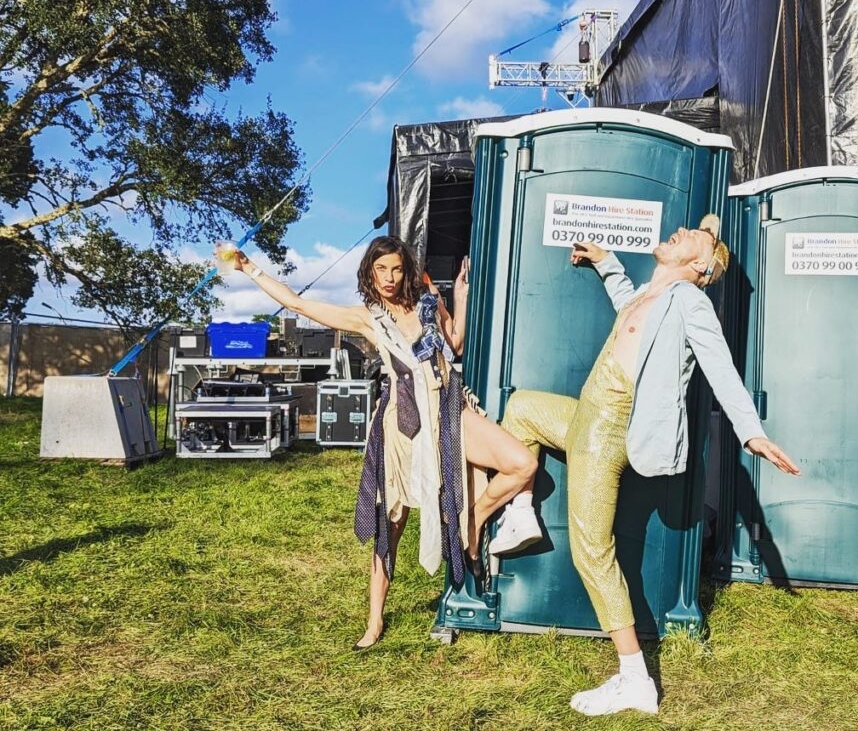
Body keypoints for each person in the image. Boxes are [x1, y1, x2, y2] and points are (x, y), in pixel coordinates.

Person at [494, 214, 801, 716]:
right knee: (522, 408)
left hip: (608, 426)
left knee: (592, 550)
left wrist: (753, 433)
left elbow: (720, 368)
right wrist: (607, 262)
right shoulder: (650, 295)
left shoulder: (691, 302)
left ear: (700, 265)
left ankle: (635, 677)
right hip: (586, 415)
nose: (679, 232)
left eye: (691, 238)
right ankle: (523, 508)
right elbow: (629, 311)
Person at [231, 237, 537, 650]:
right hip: (403, 424)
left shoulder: (429, 300)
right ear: (370, 274)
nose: (390, 278)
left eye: (396, 269)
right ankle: (374, 620)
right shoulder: (367, 319)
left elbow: (454, 345)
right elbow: (300, 305)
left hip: (449, 407)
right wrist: (250, 269)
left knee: (521, 463)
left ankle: (472, 521)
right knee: (390, 525)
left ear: (405, 269)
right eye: (381, 271)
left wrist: (459, 298)